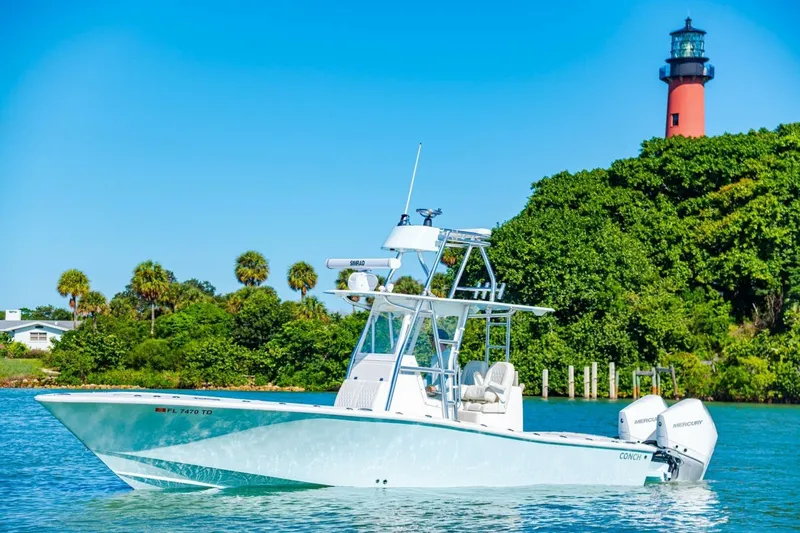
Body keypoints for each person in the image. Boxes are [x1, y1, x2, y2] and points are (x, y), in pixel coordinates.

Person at [425, 328, 451, 396]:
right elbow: (429, 377)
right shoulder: (435, 357)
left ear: (438, 340)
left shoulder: (450, 357)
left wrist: (436, 388)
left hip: (445, 396)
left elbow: (452, 379)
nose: (430, 341)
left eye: (432, 339)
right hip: (434, 395)